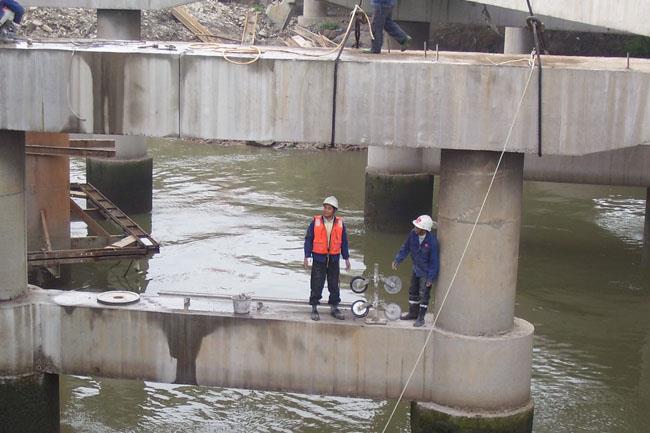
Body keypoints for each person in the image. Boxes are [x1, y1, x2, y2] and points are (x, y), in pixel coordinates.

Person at [304, 196, 351, 321]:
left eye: (329, 208)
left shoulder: (340, 223)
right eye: (325, 207)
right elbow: (308, 239)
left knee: (334, 284)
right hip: (319, 258)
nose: (325, 210)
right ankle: (314, 307)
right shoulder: (315, 222)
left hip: (334, 259)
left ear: (334, 210)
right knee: (316, 283)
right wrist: (307, 256)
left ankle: (334, 307)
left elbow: (344, 242)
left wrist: (346, 258)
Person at [392, 215, 439, 327]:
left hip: (426, 272)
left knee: (424, 294)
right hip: (416, 268)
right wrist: (398, 259)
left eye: (417, 227)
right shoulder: (413, 234)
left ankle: (421, 318)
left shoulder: (432, 242)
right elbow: (406, 247)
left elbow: (434, 262)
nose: (415, 228)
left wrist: (430, 278)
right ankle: (413, 313)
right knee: (413, 291)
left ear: (424, 229)